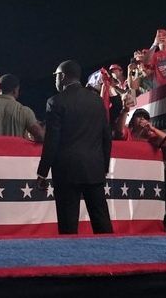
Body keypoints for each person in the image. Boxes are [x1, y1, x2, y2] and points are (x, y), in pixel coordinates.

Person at [37, 60, 113, 235]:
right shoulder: (97, 102)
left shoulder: (55, 102)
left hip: (66, 171)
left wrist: (42, 172)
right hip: (94, 169)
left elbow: (52, 140)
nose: (55, 80)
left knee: (68, 224)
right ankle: (112, 257)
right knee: (101, 220)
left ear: (62, 76)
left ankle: (71, 260)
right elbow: (106, 137)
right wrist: (104, 167)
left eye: (56, 76)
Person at [0, 74, 44, 141]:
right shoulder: (24, 111)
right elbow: (41, 136)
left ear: (0, 87)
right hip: (15, 152)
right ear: (15, 90)